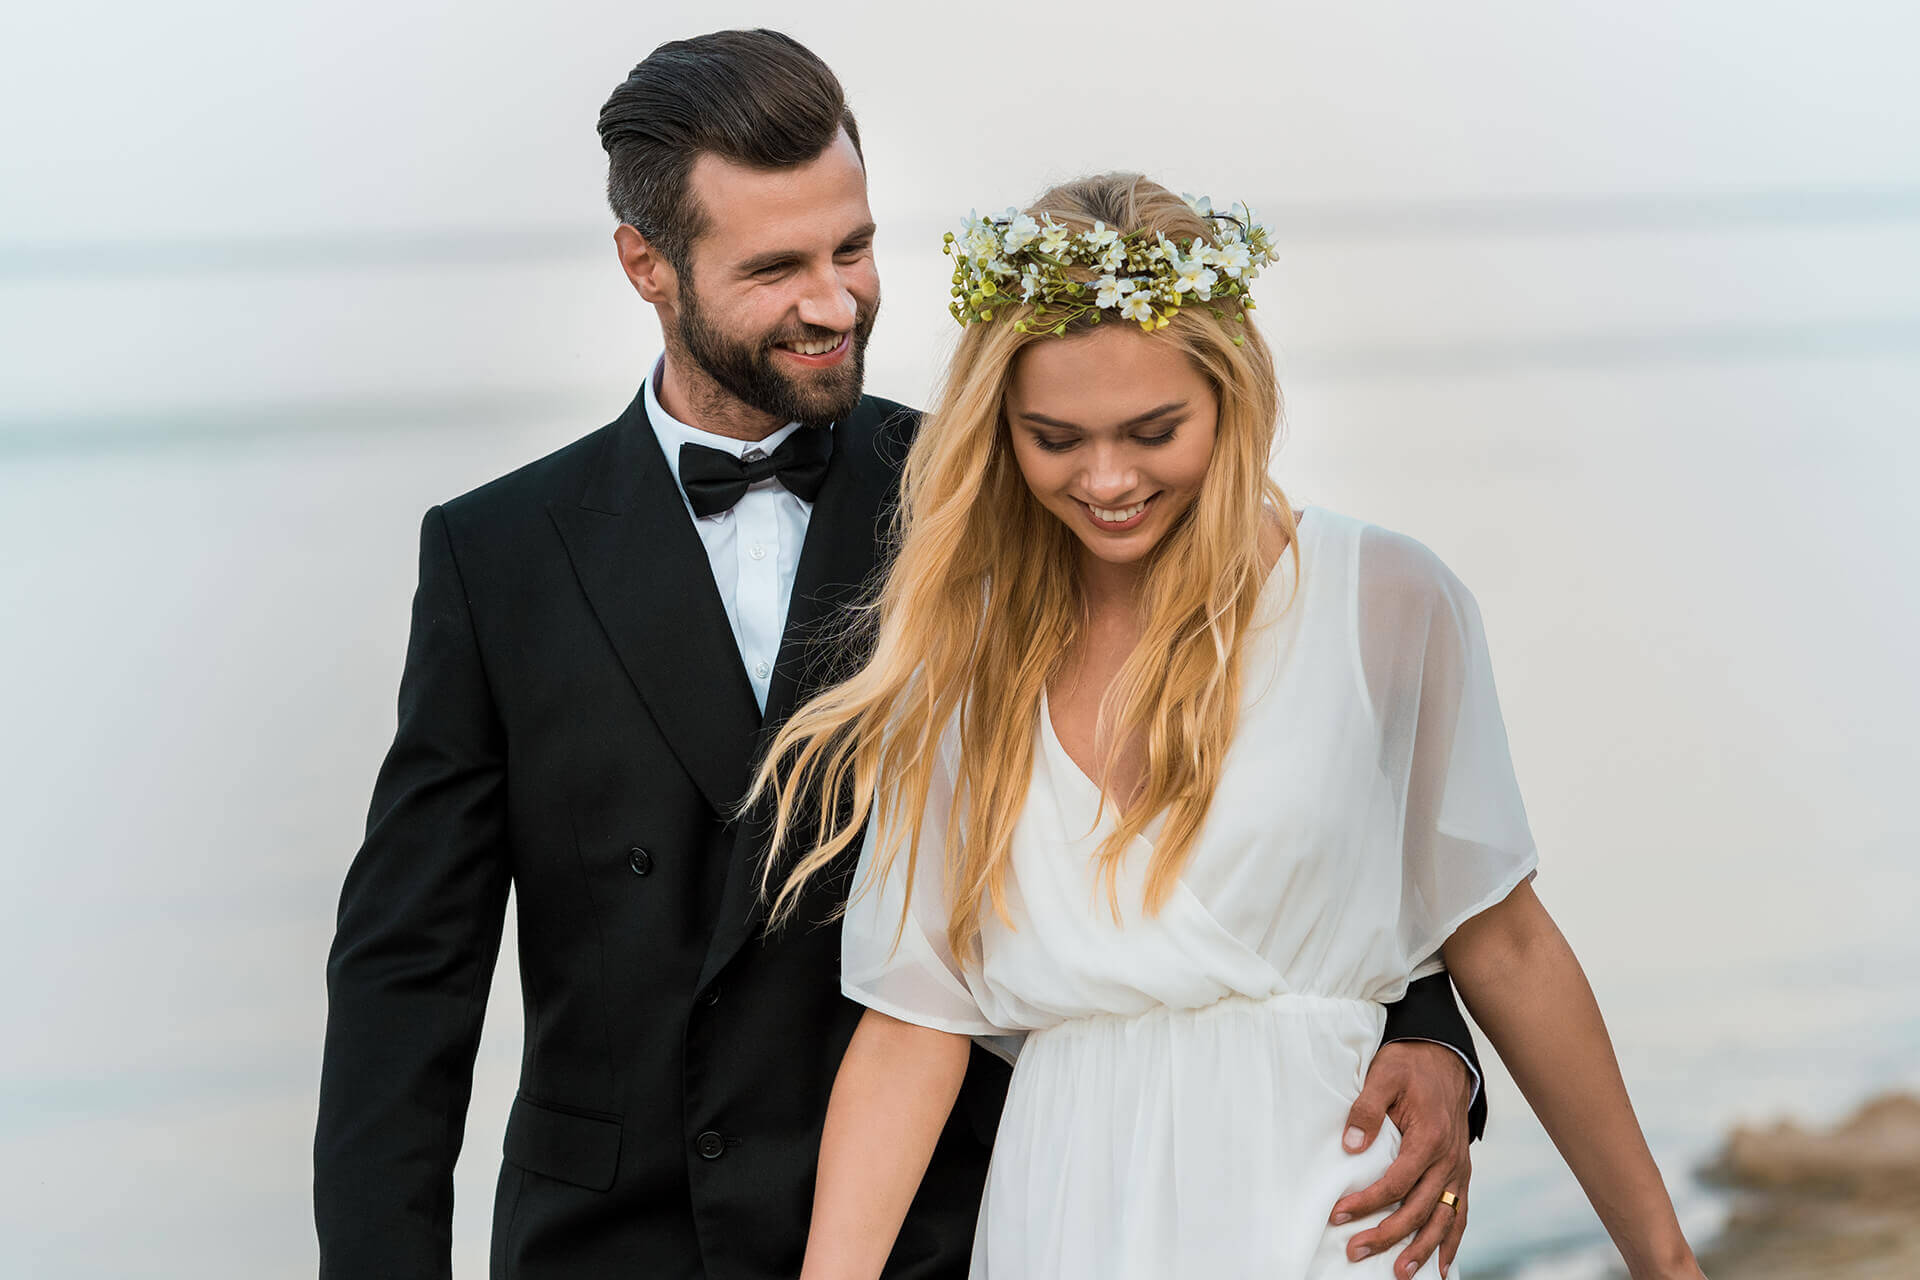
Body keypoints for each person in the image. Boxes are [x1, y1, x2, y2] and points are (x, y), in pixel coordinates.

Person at [314, 29, 1488, 1280]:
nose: (834, 303)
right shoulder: (497, 555)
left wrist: (1424, 1020)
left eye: (854, 248)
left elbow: (1267, 728)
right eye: (775, 267)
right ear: (645, 264)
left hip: (955, 1221)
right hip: (618, 1238)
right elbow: (409, 970)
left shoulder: (1004, 490)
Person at [752, 174, 1708, 1280]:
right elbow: (915, 1019)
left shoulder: (1384, 599)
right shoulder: (960, 653)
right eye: (1053, 438)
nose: (1107, 480)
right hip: (1062, 1213)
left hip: (1327, 1201)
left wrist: (1665, 1257)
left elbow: (1506, 940)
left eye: (1154, 431)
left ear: (1233, 396)